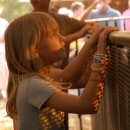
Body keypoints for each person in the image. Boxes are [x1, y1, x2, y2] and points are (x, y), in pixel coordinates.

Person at [5, 12, 119, 130]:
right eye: (54, 34)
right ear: (35, 48)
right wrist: (100, 56)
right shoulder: (33, 85)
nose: (62, 37)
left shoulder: (41, 76)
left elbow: (84, 79)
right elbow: (86, 106)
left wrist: (95, 45)